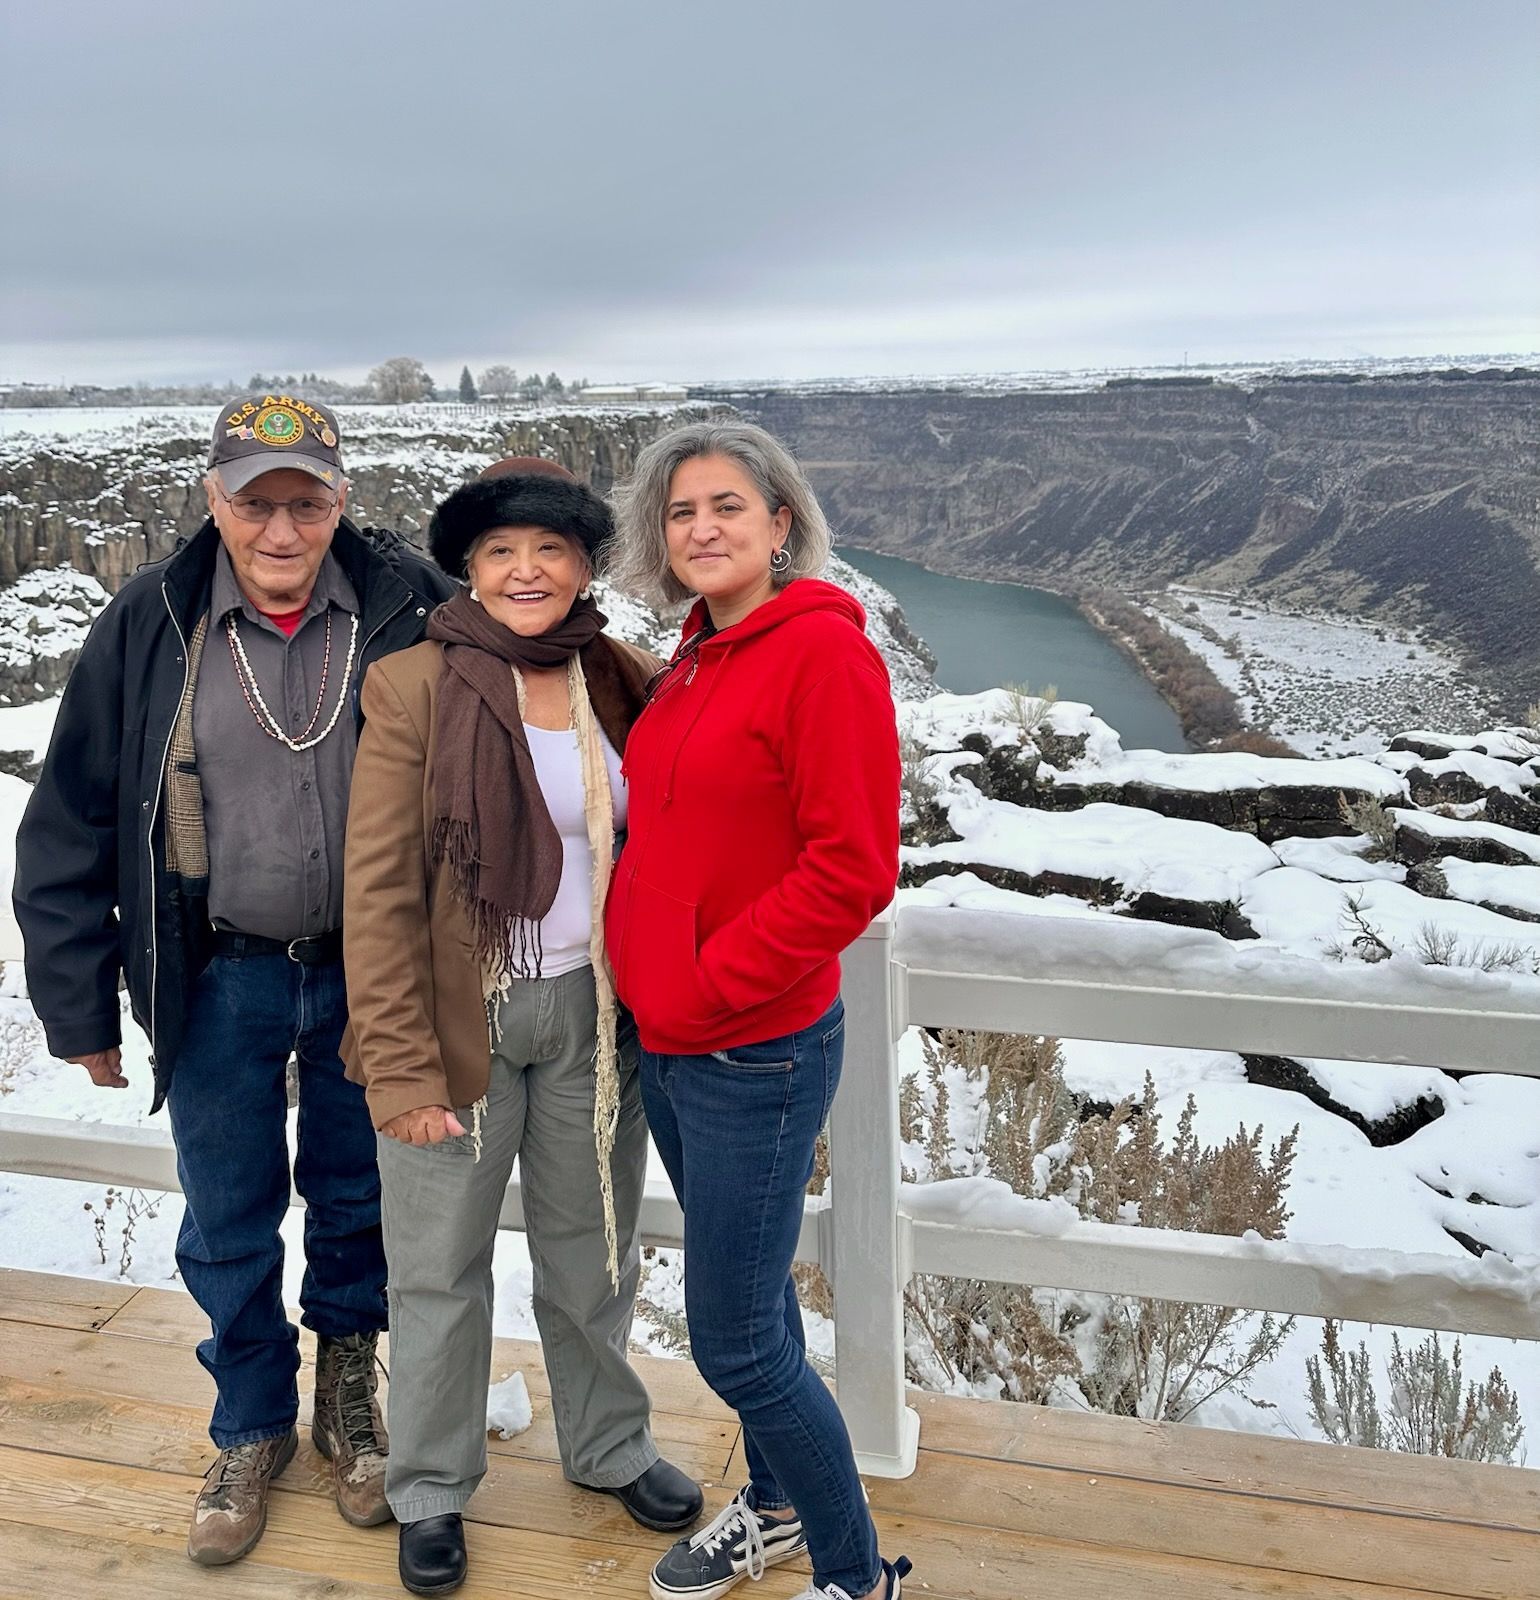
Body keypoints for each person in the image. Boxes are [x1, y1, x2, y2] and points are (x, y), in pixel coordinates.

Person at [12, 394, 456, 1565]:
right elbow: (68, 822)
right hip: (218, 972)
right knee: (226, 1215)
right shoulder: (147, 622)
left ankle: (347, 1404)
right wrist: (78, 1001)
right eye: (254, 500)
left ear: (339, 500)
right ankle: (250, 1418)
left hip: (376, 975)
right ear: (214, 500)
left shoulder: (411, 610)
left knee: (362, 1200)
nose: (279, 527)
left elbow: (530, 713)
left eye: (303, 500)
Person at [341, 458, 703, 1598]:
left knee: (590, 1252)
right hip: (462, 1017)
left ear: (585, 564)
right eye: (502, 550)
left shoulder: (621, 674)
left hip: (597, 1018)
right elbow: (381, 891)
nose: (527, 568)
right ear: (472, 567)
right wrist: (396, 1067)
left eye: (549, 548)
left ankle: (607, 1446)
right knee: (437, 1270)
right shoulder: (413, 687)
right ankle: (433, 1486)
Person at [604, 422, 911, 1600]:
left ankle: (853, 1572)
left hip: (751, 1047)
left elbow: (851, 868)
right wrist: (656, 990)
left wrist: (704, 980)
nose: (702, 529)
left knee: (732, 1336)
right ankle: (776, 1511)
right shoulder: (690, 654)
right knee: (757, 1301)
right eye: (681, 513)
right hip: (674, 1040)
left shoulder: (821, 657)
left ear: (781, 523)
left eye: (727, 506)